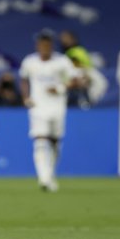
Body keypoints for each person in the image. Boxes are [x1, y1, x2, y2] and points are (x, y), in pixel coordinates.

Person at [19, 29, 76, 192]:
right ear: (37, 45)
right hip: (38, 107)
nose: (44, 47)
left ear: (51, 45)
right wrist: (26, 97)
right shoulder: (30, 61)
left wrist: (59, 88)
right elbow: (23, 79)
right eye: (41, 44)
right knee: (40, 139)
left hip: (57, 107)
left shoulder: (62, 61)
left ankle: (50, 174)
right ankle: (43, 178)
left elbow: (75, 80)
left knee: (55, 142)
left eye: (47, 44)